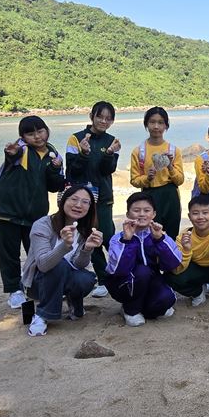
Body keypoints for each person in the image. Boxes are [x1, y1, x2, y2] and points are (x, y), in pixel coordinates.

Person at [0, 115, 67, 309]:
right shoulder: (21, 150)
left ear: (47, 130)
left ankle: (38, 287)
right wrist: (11, 154)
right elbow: (12, 157)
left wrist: (55, 169)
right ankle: (14, 290)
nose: (37, 137)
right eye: (30, 134)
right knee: (9, 254)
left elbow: (54, 186)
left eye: (40, 131)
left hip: (35, 216)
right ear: (23, 137)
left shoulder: (53, 154)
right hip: (5, 212)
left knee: (38, 252)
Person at [21, 184, 103, 336]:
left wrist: (87, 249)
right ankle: (42, 315)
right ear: (63, 201)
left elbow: (79, 265)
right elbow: (43, 264)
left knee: (87, 278)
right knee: (60, 264)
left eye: (85, 202)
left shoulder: (85, 228)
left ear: (91, 207)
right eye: (74, 199)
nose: (79, 205)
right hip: (39, 283)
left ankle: (74, 302)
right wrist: (65, 245)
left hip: (66, 277)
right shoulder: (43, 225)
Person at [65, 101, 122, 297]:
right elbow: (72, 171)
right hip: (83, 199)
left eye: (108, 118)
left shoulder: (112, 141)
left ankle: (119, 272)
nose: (103, 121)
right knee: (90, 236)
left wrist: (109, 153)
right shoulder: (75, 138)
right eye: (100, 117)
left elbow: (108, 170)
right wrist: (84, 153)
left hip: (103, 198)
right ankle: (103, 280)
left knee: (109, 237)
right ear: (92, 116)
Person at [105, 191, 182, 327]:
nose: (141, 214)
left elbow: (174, 263)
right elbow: (118, 270)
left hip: (151, 281)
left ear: (154, 214)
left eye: (147, 210)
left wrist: (159, 240)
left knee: (166, 300)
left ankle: (141, 308)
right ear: (128, 214)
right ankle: (131, 310)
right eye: (136, 210)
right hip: (124, 283)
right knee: (142, 272)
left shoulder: (159, 235)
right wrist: (127, 240)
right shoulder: (118, 238)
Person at [129, 106, 185, 239]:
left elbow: (180, 180)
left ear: (166, 126)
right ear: (146, 124)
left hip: (170, 195)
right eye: (152, 122)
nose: (156, 126)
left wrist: (170, 166)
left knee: (171, 234)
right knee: (149, 234)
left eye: (160, 123)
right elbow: (134, 180)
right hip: (149, 195)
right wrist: (147, 178)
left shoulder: (173, 150)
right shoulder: (138, 151)